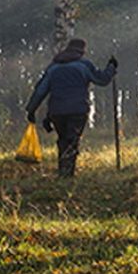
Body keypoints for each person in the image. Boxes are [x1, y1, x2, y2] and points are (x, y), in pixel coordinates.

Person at [24, 37, 117, 177]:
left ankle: (64, 172)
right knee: (72, 140)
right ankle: (67, 174)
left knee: (63, 139)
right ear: (82, 51)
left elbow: (40, 90)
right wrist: (111, 67)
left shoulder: (53, 67)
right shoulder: (84, 65)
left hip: (57, 112)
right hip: (78, 110)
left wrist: (31, 110)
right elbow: (102, 80)